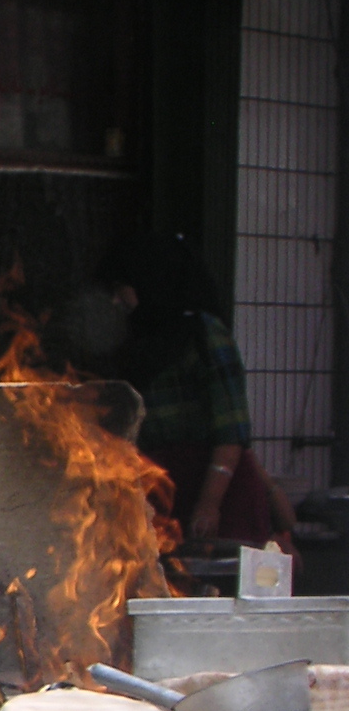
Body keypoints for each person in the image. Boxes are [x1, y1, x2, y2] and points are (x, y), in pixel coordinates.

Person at [94, 232, 290, 549]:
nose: (117, 300)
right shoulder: (133, 342)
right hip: (160, 491)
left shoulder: (205, 336)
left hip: (218, 492)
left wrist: (209, 504)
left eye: (122, 289)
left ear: (149, 282)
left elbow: (231, 433)